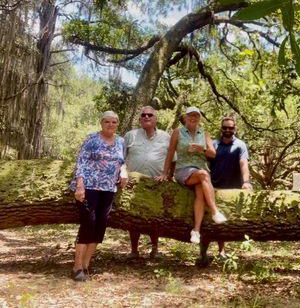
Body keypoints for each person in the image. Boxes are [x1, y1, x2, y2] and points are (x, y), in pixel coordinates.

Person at [69, 111, 128, 281]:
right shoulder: (91, 139)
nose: (111, 124)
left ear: (117, 124)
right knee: (89, 224)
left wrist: (124, 171)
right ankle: (76, 267)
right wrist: (80, 186)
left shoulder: (120, 141)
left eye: (114, 122)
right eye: (107, 121)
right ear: (101, 123)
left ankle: (86, 266)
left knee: (100, 225)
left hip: (109, 189)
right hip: (89, 187)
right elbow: (80, 162)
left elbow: (121, 161)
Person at [158, 106, 227, 244]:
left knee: (200, 191)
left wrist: (202, 149)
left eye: (196, 115)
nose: (193, 117)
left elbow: (213, 154)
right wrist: (165, 173)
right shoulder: (178, 132)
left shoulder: (204, 133)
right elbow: (170, 153)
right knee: (203, 175)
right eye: (190, 115)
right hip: (184, 169)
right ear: (186, 117)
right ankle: (215, 211)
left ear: (199, 118)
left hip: (201, 169)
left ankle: (195, 231)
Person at [200, 116, 252, 262]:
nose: (227, 130)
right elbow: (205, 164)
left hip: (232, 190)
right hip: (213, 188)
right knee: (209, 222)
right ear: (221, 129)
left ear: (235, 129)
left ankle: (222, 252)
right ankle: (203, 254)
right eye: (225, 128)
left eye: (230, 128)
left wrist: (246, 181)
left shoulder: (240, 145)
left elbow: (244, 164)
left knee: (225, 223)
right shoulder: (214, 145)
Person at [123, 106, 171, 259]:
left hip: (155, 183)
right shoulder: (130, 135)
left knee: (154, 217)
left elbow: (173, 159)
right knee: (133, 217)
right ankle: (134, 250)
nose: (146, 117)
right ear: (140, 119)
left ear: (155, 118)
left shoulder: (166, 137)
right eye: (143, 115)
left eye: (150, 115)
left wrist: (168, 175)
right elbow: (121, 158)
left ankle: (155, 250)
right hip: (133, 183)